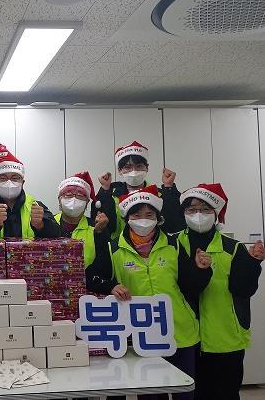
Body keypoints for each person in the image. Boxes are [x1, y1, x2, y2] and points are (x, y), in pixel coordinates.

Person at [87, 185, 212, 400]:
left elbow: (191, 286)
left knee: (184, 393)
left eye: (149, 215)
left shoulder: (173, 244)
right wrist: (111, 286)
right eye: (137, 215)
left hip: (181, 331)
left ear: (158, 218)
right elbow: (91, 276)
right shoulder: (114, 248)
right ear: (127, 218)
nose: (143, 220)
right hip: (144, 337)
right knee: (152, 394)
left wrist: (201, 270)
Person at [177, 183, 264, 400]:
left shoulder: (233, 247)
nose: (198, 214)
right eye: (191, 209)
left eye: (205, 209)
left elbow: (244, 290)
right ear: (184, 213)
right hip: (185, 339)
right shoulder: (173, 244)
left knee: (226, 393)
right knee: (191, 394)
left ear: (216, 213)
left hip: (225, 337)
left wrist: (253, 264)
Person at [0, 143, 60, 239]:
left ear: (23, 182)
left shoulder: (37, 206)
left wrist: (41, 225)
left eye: (15, 178)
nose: (9, 182)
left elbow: (58, 234)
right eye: (3, 177)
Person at [93, 141, 185, 240]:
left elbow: (175, 225)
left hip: (154, 246)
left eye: (139, 166)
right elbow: (102, 224)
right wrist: (105, 189)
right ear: (120, 170)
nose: (133, 171)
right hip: (119, 246)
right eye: (127, 167)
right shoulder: (111, 194)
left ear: (147, 168)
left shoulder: (159, 194)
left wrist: (169, 187)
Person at [55, 171, 111, 268]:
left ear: (87, 203)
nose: (74, 199)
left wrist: (100, 234)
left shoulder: (96, 228)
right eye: (68, 194)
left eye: (80, 196)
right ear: (59, 200)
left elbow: (105, 266)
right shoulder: (48, 224)